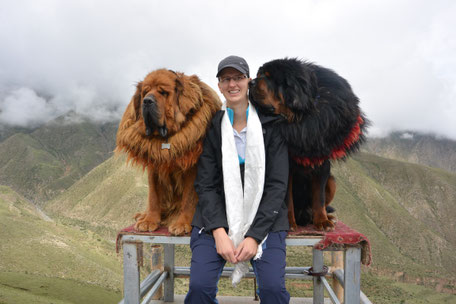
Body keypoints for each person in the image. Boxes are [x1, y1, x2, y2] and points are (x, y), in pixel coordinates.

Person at [184, 55, 290, 304]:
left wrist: (253, 236)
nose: (233, 84)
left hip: (266, 219)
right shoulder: (212, 128)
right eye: (226, 79)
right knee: (199, 288)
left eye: (238, 78)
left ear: (248, 82)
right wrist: (219, 232)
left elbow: (277, 185)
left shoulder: (273, 127)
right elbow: (206, 183)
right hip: (216, 218)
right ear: (219, 85)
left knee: (273, 289)